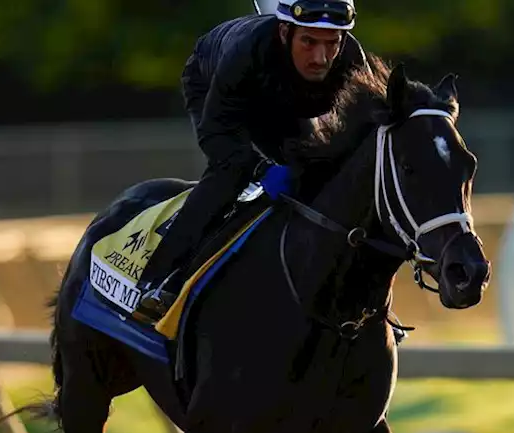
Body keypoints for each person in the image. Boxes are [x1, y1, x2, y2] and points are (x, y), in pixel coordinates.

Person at [131, 0, 368, 325]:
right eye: (309, 42)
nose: (321, 58)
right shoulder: (246, 52)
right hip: (216, 86)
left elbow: (364, 136)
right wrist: (260, 169)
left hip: (282, 100)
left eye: (332, 44)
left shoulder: (352, 61)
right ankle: (159, 280)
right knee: (229, 174)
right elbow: (217, 135)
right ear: (285, 31)